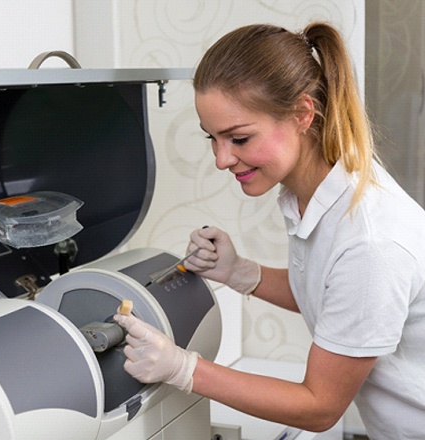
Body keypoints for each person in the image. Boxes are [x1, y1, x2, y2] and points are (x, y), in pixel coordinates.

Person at [114, 22, 425, 439]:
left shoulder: (369, 241)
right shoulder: (315, 191)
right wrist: (240, 273)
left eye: (238, 138)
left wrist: (182, 368)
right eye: (213, 138)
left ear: (302, 114)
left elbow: (319, 407)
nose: (222, 159)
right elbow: (332, 296)